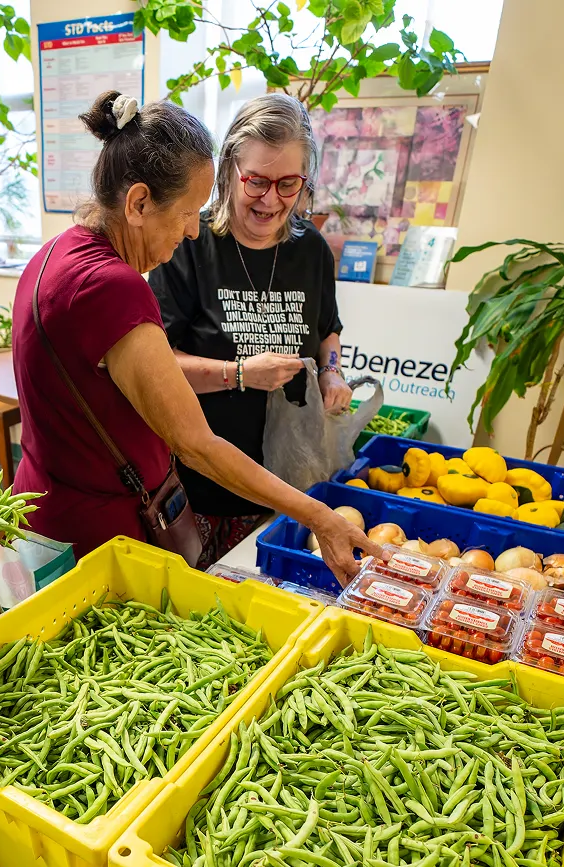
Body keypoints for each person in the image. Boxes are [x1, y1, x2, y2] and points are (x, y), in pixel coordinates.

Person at [10, 91, 376, 584]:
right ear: (139, 202)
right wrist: (318, 515)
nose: (191, 232)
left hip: (46, 512)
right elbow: (196, 444)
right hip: (96, 537)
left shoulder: (55, 252)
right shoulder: (114, 287)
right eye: (187, 213)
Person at [149, 94, 353, 567]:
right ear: (228, 171)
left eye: (289, 184)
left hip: (289, 481)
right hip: (203, 487)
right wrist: (239, 373)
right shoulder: (189, 243)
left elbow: (327, 332)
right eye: (257, 181)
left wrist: (332, 373)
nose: (271, 199)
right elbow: (156, 366)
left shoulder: (312, 250)